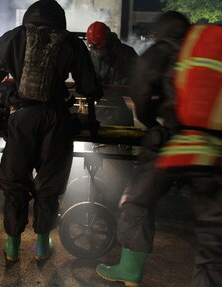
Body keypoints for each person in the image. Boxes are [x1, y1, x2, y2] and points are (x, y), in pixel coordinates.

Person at [0, 0, 102, 262]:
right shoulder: (70, 41)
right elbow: (89, 86)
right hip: (55, 120)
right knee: (48, 184)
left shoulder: (12, 37)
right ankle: (42, 248)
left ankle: (12, 249)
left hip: (21, 117)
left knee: (15, 183)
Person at [95, 11, 190, 286]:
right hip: (210, 143)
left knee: (137, 200)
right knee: (211, 223)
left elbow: (140, 89)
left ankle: (130, 270)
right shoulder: (203, 54)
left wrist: (152, 122)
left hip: (173, 136)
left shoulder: (160, 52)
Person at [155, 24, 222, 287]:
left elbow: (175, 94)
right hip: (214, 154)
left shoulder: (198, 41)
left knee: (212, 250)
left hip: (191, 152)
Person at [86, 21, 138, 86]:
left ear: (108, 43)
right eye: (94, 49)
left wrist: (116, 85)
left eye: (100, 48)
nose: (97, 51)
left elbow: (138, 78)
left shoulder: (127, 54)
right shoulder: (90, 56)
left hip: (121, 94)